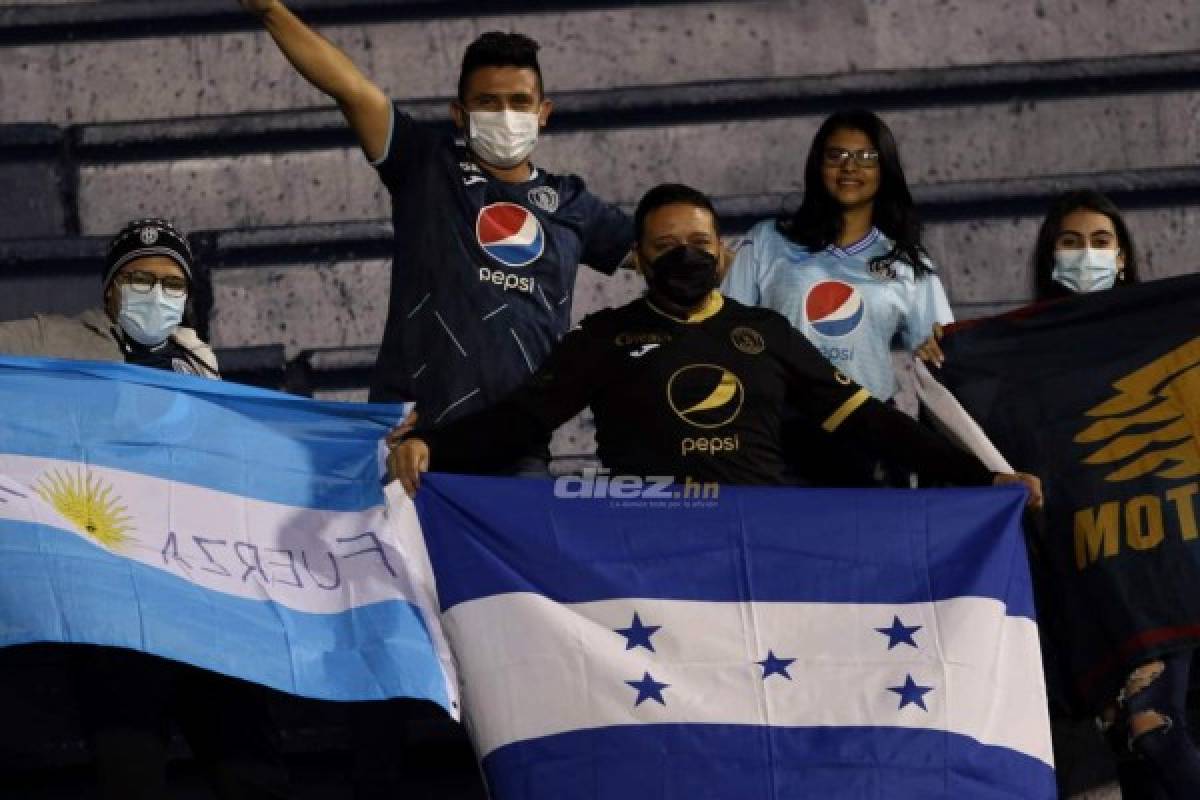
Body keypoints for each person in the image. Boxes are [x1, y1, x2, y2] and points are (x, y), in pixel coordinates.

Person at [390, 183, 1042, 508]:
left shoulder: (768, 337)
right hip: (652, 555)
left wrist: (983, 479)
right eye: (666, 247)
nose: (685, 256)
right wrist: (433, 446)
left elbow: (872, 423)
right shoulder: (605, 340)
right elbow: (521, 419)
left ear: (723, 254)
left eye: (699, 245)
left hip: (761, 541)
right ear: (638, 259)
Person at [240, 1, 631, 473]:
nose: (505, 114)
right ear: (458, 112)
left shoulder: (571, 202)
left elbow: (676, 259)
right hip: (410, 435)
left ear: (543, 112)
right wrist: (270, 11)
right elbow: (351, 89)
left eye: (519, 102)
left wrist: (744, 263)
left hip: (516, 442)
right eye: (488, 102)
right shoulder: (425, 165)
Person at [920, 192, 1200, 799]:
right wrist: (941, 361)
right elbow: (971, 442)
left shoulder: (1166, 324)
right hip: (1094, 573)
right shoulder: (1014, 357)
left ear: (1123, 257)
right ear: (1050, 259)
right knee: (1140, 737)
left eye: (1101, 241)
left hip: (1177, 558)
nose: (1087, 253)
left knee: (1160, 727)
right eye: (1071, 242)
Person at [0, 218, 289, 799]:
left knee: (251, 774)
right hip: (115, 605)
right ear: (110, 289)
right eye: (139, 278)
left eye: (171, 284)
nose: (157, 294)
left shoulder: (199, 363)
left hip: (202, 600)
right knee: (131, 776)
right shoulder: (54, 339)